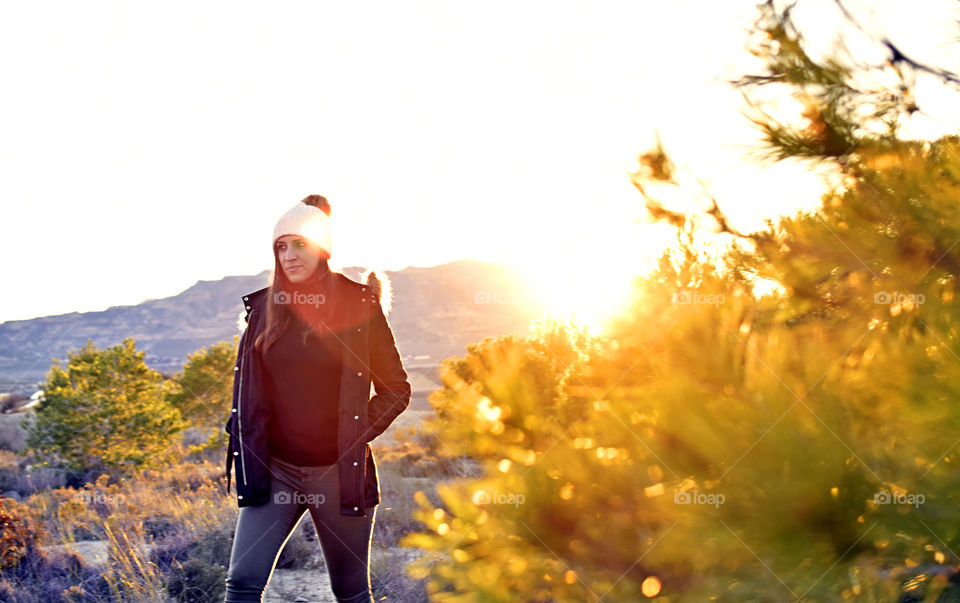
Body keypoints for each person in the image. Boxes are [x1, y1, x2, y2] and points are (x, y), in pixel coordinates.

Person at [223, 194, 412, 602]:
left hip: (338, 474)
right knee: (241, 583)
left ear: (323, 248)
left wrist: (353, 435)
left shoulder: (358, 304)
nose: (289, 255)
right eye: (281, 246)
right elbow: (253, 388)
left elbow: (396, 389)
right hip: (276, 473)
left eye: (300, 244)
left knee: (350, 593)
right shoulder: (263, 309)